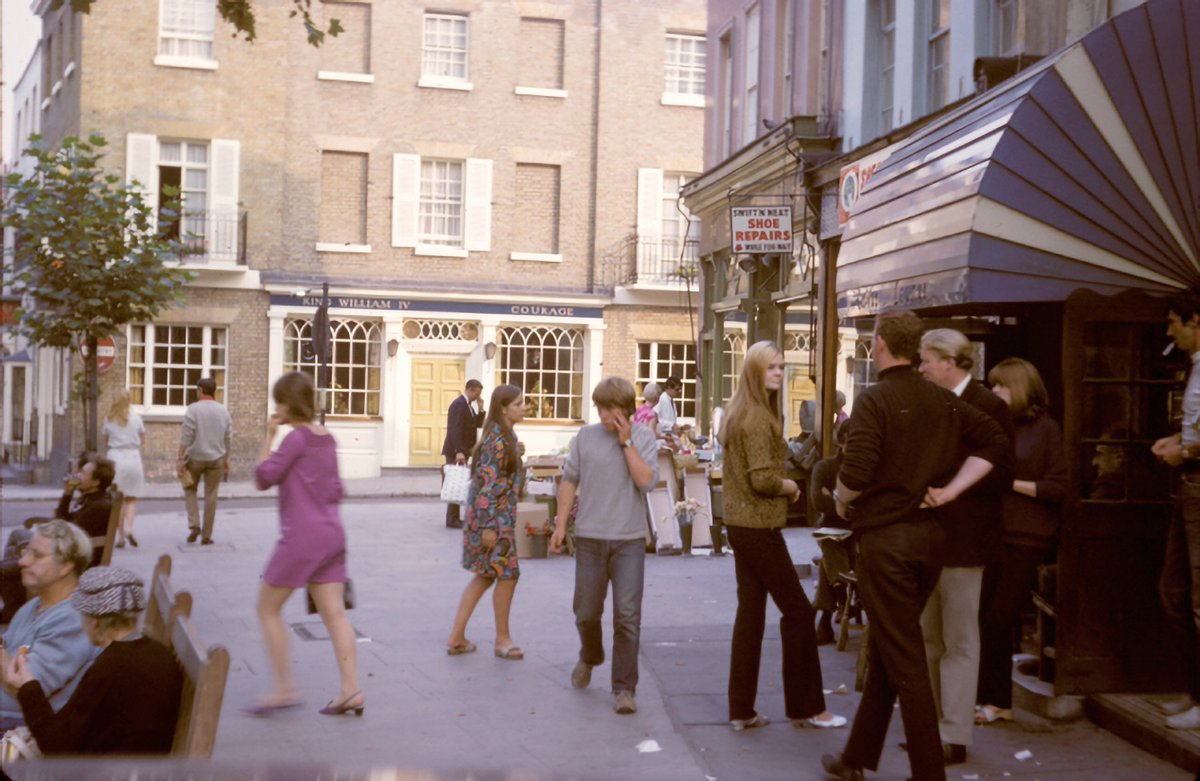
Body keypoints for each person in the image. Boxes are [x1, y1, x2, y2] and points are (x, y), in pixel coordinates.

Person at [821, 309, 1009, 781]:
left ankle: (929, 771)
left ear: (880, 344)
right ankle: (856, 759)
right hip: (931, 542)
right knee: (892, 650)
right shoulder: (940, 399)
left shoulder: (876, 400)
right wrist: (949, 491)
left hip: (887, 544)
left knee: (905, 659)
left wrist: (842, 500)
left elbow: (857, 471)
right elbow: (994, 441)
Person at [719, 340, 846, 732]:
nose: (778, 372)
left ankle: (742, 710)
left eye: (780, 366)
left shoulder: (738, 412)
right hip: (759, 527)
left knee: (751, 616)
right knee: (798, 612)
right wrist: (790, 488)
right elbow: (761, 479)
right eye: (772, 367)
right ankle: (809, 707)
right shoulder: (757, 418)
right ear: (756, 372)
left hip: (741, 526)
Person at [916, 328, 1013, 765]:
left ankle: (954, 736)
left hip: (967, 539)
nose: (920, 368)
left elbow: (1001, 473)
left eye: (925, 361)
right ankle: (933, 728)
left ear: (948, 362)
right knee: (928, 636)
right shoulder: (925, 400)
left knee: (959, 638)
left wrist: (950, 486)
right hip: (926, 536)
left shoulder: (988, 405)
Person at [249, 371, 363, 717]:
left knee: (267, 609)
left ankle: (285, 688)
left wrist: (269, 436)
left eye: (278, 401)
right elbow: (337, 489)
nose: (276, 407)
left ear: (287, 403)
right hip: (332, 535)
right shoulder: (327, 439)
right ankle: (351, 690)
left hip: (302, 538)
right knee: (335, 614)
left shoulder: (295, 439)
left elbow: (262, 477)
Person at [550, 377, 659, 715]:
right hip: (590, 539)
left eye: (609, 408)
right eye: (599, 407)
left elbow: (647, 482)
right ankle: (591, 654)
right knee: (585, 611)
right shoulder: (586, 437)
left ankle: (624, 688)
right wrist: (560, 523)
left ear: (625, 409)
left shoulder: (644, 437)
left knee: (627, 616)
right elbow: (569, 479)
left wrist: (627, 444)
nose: (602, 414)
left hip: (628, 540)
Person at [3, 567, 183, 754]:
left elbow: (58, 749)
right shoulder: (156, 652)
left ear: (94, 622)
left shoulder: (111, 668)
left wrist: (28, 688)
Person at [976, 357, 1067, 725]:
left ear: (1020, 388)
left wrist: (1010, 484)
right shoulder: (998, 427)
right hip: (994, 533)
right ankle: (994, 701)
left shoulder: (1046, 431)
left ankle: (997, 700)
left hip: (1028, 536)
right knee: (985, 618)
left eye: (1000, 386)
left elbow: (1058, 487)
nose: (994, 392)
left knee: (999, 617)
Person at [447, 384, 527, 660]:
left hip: (494, 518)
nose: (523, 407)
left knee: (485, 575)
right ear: (503, 408)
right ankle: (502, 640)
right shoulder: (497, 441)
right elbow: (487, 488)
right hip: (494, 519)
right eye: (518, 404)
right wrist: (488, 527)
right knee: (507, 575)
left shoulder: (504, 437)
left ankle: (456, 637)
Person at [0, 520, 99, 731]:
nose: (23, 562)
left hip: (20, 728)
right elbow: (7, 650)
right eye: (26, 552)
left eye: (37, 555)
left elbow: (26, 688)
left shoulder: (75, 618)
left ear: (66, 566)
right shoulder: (37, 604)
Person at [1153, 292, 1200, 730]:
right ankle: (1193, 692)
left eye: (1174, 322)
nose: (1169, 331)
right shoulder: (1195, 366)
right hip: (1189, 483)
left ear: (1196, 320)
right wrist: (1179, 440)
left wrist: (1184, 451)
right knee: (1174, 590)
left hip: (1197, 482)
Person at [177, 377, 233, 545]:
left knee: (189, 488)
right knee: (211, 495)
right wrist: (226, 458)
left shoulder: (193, 409)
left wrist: (180, 458)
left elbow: (186, 436)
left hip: (195, 458)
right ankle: (207, 536)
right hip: (216, 459)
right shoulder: (223, 411)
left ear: (200, 390)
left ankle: (194, 524)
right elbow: (227, 437)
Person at [809, 423, 851, 646]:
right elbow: (818, 501)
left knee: (829, 558)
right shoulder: (825, 467)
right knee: (829, 541)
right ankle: (842, 594)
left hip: (860, 533)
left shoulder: (867, 467)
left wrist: (834, 497)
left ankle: (826, 618)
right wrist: (845, 502)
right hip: (832, 529)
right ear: (841, 441)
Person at [102, 389, 145, 548]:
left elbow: (105, 441)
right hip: (133, 458)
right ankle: (129, 529)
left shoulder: (109, 419)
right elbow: (142, 439)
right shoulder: (136, 418)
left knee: (117, 501)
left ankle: (120, 538)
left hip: (115, 460)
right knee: (131, 498)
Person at [441, 379, 485, 529]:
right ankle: (452, 519)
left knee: (458, 481)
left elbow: (477, 424)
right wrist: (459, 451)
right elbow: (454, 429)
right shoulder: (459, 405)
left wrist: (481, 409)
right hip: (456, 451)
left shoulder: (468, 406)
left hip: (463, 450)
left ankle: (454, 517)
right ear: (470, 390)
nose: (478, 396)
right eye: (477, 393)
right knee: (455, 482)